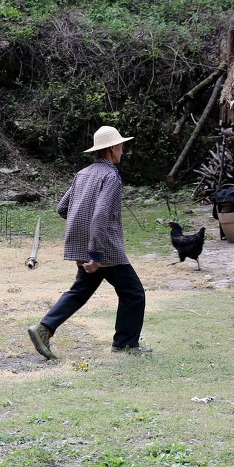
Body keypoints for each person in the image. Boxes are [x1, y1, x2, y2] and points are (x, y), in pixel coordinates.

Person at [27, 125, 149, 359]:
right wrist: (96, 254)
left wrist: (83, 232)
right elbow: (101, 215)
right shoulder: (110, 176)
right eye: (121, 146)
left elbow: (63, 208)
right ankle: (125, 344)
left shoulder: (83, 173)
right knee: (134, 293)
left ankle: (44, 329)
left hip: (86, 246)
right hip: (105, 250)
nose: (123, 151)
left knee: (81, 291)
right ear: (112, 148)